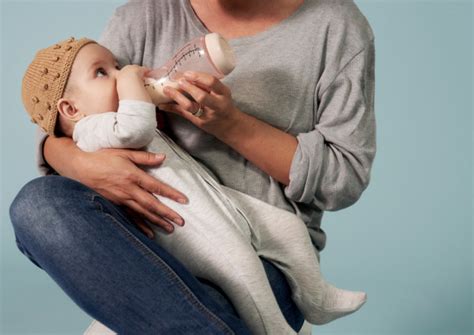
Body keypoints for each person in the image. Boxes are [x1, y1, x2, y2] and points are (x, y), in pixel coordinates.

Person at [10, 0, 376, 333]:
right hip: (153, 246)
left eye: (119, 68)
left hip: (265, 256)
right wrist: (74, 161)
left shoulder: (335, 26)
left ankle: (298, 301)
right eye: (112, 70)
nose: (124, 72)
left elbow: (342, 178)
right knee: (37, 205)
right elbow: (73, 116)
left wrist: (230, 124)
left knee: (257, 260)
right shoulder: (145, 16)